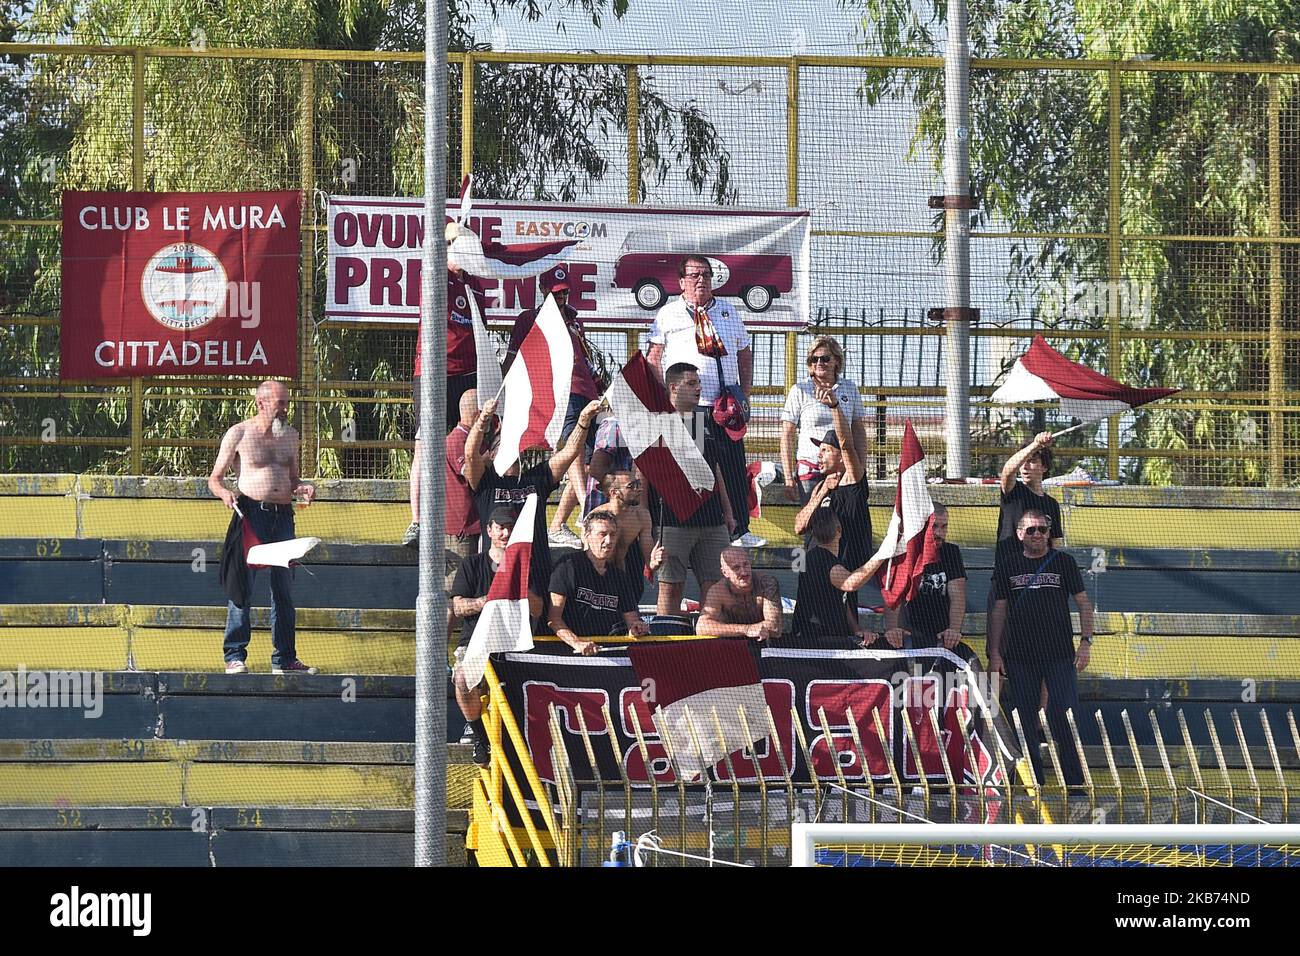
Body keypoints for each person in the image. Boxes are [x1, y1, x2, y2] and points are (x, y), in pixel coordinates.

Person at [647, 255, 763, 548]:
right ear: (681, 281)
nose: (701, 280)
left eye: (707, 275)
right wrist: (665, 400)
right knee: (692, 470)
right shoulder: (668, 314)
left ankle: (739, 530)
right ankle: (690, 530)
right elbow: (653, 360)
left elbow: (744, 354)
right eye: (695, 275)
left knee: (733, 467)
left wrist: (744, 394)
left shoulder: (728, 312)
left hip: (724, 407)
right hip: (687, 408)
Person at [209, 380, 317, 675]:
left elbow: (293, 479)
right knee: (242, 587)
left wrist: (303, 488)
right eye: (280, 403)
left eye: (287, 402)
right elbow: (214, 479)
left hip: (283, 517)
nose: (285, 409)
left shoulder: (291, 436)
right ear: (261, 403)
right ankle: (234, 655)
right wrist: (225, 493)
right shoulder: (239, 433)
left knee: (284, 590)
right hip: (251, 514)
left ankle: (284, 658)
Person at [465, 395, 602, 614]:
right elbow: (470, 456)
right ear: (492, 453)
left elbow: (569, 453)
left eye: (516, 447)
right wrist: (482, 421)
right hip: (497, 571)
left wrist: (583, 420)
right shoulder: (486, 484)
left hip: (536, 573)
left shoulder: (535, 479)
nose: (512, 452)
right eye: (504, 446)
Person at [987, 509, 1093, 787]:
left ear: (1049, 533)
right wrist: (995, 652)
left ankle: (1076, 786)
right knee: (1024, 719)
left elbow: (1083, 603)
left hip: (1059, 655)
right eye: (1030, 530)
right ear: (1020, 534)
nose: (1037, 534)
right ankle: (1036, 783)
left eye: (1042, 530)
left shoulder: (1064, 562)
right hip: (1020, 657)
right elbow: (998, 610)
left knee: (1064, 718)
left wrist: (1086, 641)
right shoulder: (1008, 565)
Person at [503, 267, 604, 549]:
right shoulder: (529, 319)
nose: (561, 298)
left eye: (565, 292)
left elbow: (585, 358)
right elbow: (513, 358)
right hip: (561, 391)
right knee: (573, 450)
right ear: (543, 291)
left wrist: (598, 382)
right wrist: (505, 396)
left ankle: (558, 525)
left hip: (588, 391)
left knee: (589, 460)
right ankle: (587, 510)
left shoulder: (574, 319)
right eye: (555, 293)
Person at [449, 505, 544, 766]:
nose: (504, 533)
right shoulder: (472, 564)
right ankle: (480, 736)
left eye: (510, 528)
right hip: (475, 641)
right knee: (462, 678)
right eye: (500, 527)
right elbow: (458, 606)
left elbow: (538, 610)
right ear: (489, 530)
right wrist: (487, 601)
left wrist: (522, 586)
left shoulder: (525, 566)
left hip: (513, 643)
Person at [404, 265, 489, 545]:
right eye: (456, 245)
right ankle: (417, 522)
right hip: (434, 370)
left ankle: (475, 516)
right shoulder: (435, 272)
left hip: (468, 374)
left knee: (473, 441)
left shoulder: (476, 283)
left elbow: (481, 328)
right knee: (426, 445)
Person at [652, 362, 737, 617]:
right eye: (691, 383)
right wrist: (646, 522)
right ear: (673, 387)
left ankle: (707, 644)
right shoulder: (659, 422)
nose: (698, 388)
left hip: (712, 521)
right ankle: (664, 646)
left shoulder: (704, 420)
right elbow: (644, 473)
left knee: (715, 587)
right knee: (671, 588)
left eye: (698, 383)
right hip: (674, 521)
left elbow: (716, 470)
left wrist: (728, 513)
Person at [793, 389, 871, 616]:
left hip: (843, 566)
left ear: (840, 456)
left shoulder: (853, 478)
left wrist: (835, 407)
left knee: (839, 623)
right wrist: (821, 493)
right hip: (813, 565)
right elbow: (799, 526)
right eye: (819, 450)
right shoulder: (820, 485)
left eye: (826, 450)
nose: (819, 455)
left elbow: (847, 443)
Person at [875, 503, 978, 664]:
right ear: (922, 527)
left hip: (941, 637)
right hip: (908, 638)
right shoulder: (904, 552)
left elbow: (957, 595)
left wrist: (954, 630)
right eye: (934, 527)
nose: (939, 533)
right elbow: (893, 597)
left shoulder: (951, 553)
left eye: (944, 527)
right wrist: (892, 629)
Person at [781, 336, 870, 502]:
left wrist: (861, 468)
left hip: (844, 471)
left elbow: (858, 429)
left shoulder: (849, 388)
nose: (819, 363)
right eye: (814, 359)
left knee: (845, 522)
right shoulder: (800, 390)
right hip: (811, 471)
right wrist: (788, 476)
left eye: (825, 358)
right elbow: (787, 434)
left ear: (836, 361)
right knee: (814, 522)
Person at [548, 511, 650, 655]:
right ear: (587, 536)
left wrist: (637, 628)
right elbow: (553, 619)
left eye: (613, 535)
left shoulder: (620, 577)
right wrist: (577, 643)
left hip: (607, 650)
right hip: (568, 652)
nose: (609, 541)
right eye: (602, 534)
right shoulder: (568, 566)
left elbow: (632, 620)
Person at [404, 389, 481, 565]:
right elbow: (471, 475)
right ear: (477, 415)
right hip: (460, 530)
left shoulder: (472, 438)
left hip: (473, 525)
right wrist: (489, 457)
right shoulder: (456, 440)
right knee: (457, 584)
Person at [789, 509, 884, 649]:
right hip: (814, 641)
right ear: (839, 530)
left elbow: (841, 600)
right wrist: (882, 554)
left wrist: (856, 630)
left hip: (835, 637)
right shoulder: (819, 559)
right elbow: (850, 583)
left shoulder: (832, 560)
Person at [601, 468, 663, 607]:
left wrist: (655, 561)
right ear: (614, 492)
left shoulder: (641, 516)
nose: (639, 489)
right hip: (599, 582)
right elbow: (588, 561)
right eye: (631, 486)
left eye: (638, 484)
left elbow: (650, 561)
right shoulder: (597, 519)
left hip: (627, 581)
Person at [696, 547, 783, 642]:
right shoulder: (717, 591)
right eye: (736, 568)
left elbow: (775, 627)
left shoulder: (766, 584)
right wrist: (746, 629)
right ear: (725, 572)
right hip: (730, 645)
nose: (744, 572)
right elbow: (701, 627)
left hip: (764, 643)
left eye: (746, 565)